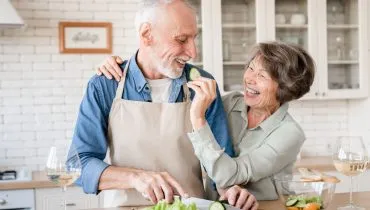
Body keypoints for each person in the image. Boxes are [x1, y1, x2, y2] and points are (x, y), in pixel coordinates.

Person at [72, 0, 258, 209]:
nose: (193, 52)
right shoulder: (105, 85)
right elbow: (78, 165)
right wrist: (136, 178)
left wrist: (231, 191)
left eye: (194, 38)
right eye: (181, 39)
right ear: (146, 35)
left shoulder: (203, 85)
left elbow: (220, 168)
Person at [97, 41, 315, 201]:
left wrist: (198, 117)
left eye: (263, 76)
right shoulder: (229, 104)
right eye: (251, 68)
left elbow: (229, 175)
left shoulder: (289, 133)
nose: (250, 79)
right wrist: (124, 66)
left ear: (285, 88)